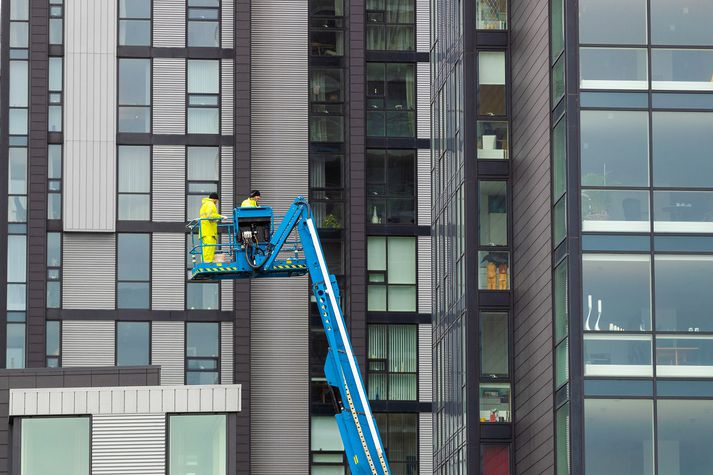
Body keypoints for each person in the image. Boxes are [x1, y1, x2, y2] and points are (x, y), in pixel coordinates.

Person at [199, 192, 225, 263]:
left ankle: (205, 262)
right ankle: (207, 263)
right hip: (209, 231)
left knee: (205, 249)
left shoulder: (204, 205)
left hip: (205, 231)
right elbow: (210, 216)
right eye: (217, 201)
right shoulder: (211, 204)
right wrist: (220, 217)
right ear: (215, 199)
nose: (217, 202)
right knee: (209, 248)